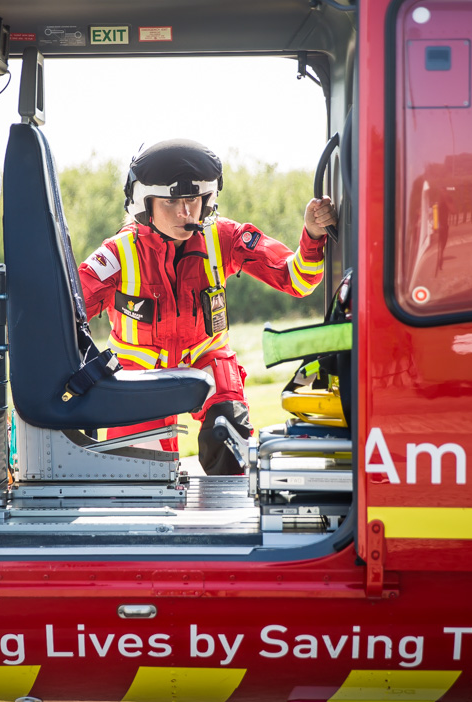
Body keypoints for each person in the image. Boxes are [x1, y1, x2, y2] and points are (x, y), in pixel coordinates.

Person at [78, 138, 336, 475]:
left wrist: (313, 235)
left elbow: (298, 278)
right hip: (136, 379)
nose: (185, 213)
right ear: (145, 204)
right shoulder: (117, 254)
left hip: (208, 366)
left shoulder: (226, 237)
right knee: (139, 478)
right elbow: (62, 311)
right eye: (172, 202)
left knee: (227, 434)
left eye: (193, 200)